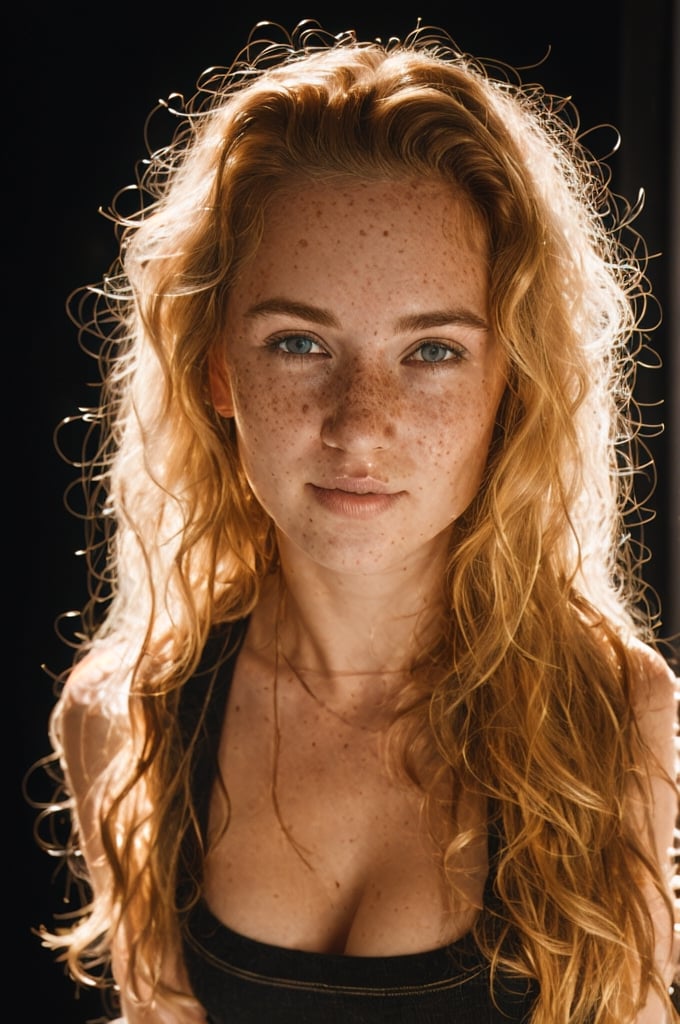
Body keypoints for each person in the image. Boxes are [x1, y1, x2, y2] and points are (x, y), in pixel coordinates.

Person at [34, 19, 679, 1024]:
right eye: (297, 342)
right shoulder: (126, 720)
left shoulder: (610, 715)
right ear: (216, 370)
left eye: (431, 352)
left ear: (509, 383)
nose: (358, 423)